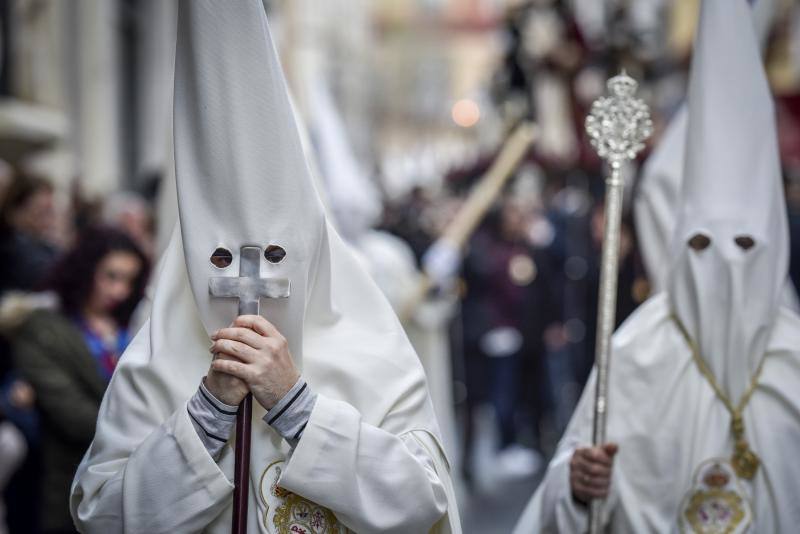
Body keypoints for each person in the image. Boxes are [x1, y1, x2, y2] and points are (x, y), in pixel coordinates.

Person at [70, 2, 460, 533]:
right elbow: (101, 516)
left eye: (276, 256)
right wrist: (206, 416)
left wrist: (298, 408)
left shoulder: (370, 348)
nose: (245, 284)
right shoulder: (156, 359)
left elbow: (424, 502)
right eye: (220, 259)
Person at [513, 0, 800, 532]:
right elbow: (561, 500)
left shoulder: (794, 358)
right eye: (699, 244)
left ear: (773, 245)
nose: (723, 267)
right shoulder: (636, 353)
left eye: (743, 243)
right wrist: (578, 486)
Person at [12, 227, 148, 534]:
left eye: (129, 280)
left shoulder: (132, 323)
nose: (120, 291)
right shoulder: (45, 329)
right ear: (85, 271)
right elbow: (73, 415)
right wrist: (154, 434)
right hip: (65, 481)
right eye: (110, 276)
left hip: (127, 483)